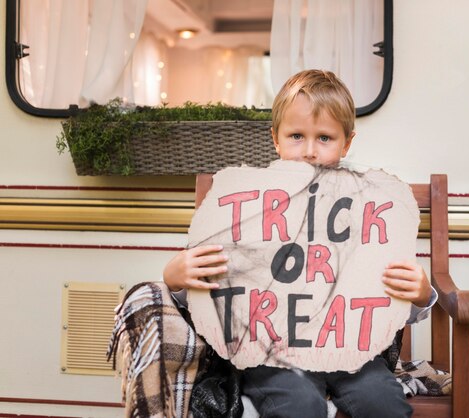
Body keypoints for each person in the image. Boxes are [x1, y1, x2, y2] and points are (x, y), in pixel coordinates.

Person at [163, 69, 436, 418]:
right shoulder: (248, 205)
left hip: (347, 349)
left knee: (383, 400)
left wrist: (421, 295)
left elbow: (383, 298)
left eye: (324, 138)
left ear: (346, 143)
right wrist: (175, 279)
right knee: (299, 404)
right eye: (296, 136)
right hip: (271, 352)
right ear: (275, 138)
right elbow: (215, 282)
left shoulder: (364, 207)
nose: (309, 151)